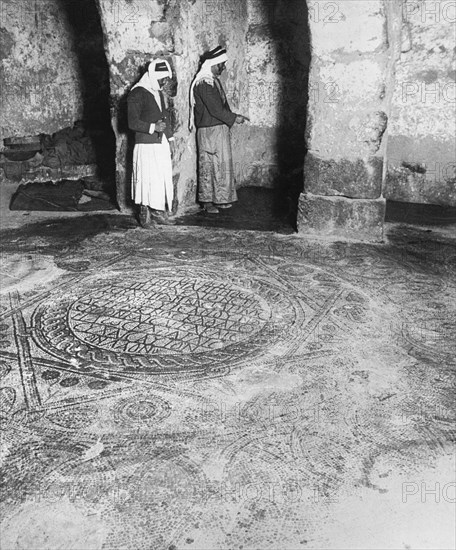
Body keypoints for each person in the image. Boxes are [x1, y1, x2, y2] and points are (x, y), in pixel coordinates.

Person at [189, 46, 248, 214]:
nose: (223, 68)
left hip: (216, 129)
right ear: (212, 64)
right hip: (210, 130)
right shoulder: (204, 84)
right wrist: (234, 117)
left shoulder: (212, 81)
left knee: (220, 165)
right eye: (221, 64)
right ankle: (207, 202)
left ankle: (220, 199)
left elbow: (220, 107)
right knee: (208, 166)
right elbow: (215, 110)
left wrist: (231, 117)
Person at [127, 59, 175, 227]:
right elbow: (131, 122)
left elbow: (165, 118)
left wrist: (170, 139)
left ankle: (158, 211)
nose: (164, 82)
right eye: (162, 78)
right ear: (153, 76)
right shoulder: (137, 93)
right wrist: (153, 127)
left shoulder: (158, 93)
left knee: (160, 178)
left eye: (166, 79)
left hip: (160, 143)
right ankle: (144, 214)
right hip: (145, 144)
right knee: (146, 179)